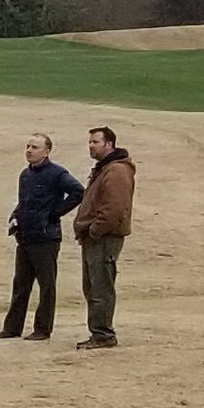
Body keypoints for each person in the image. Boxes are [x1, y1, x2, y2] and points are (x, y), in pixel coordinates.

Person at [0, 132, 82, 340]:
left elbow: (78, 192)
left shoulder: (57, 173)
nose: (29, 150)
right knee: (20, 284)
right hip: (25, 236)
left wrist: (54, 214)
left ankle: (42, 329)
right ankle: (12, 328)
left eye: (35, 147)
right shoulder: (25, 175)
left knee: (46, 286)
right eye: (28, 146)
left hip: (46, 238)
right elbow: (24, 201)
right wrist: (15, 216)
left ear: (47, 151)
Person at [75, 126, 137, 349]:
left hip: (104, 237)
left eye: (95, 142)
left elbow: (114, 208)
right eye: (90, 142)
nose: (91, 146)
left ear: (109, 144)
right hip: (97, 236)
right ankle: (99, 332)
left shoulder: (116, 171)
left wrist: (95, 230)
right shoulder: (106, 168)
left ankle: (103, 334)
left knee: (100, 286)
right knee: (93, 286)